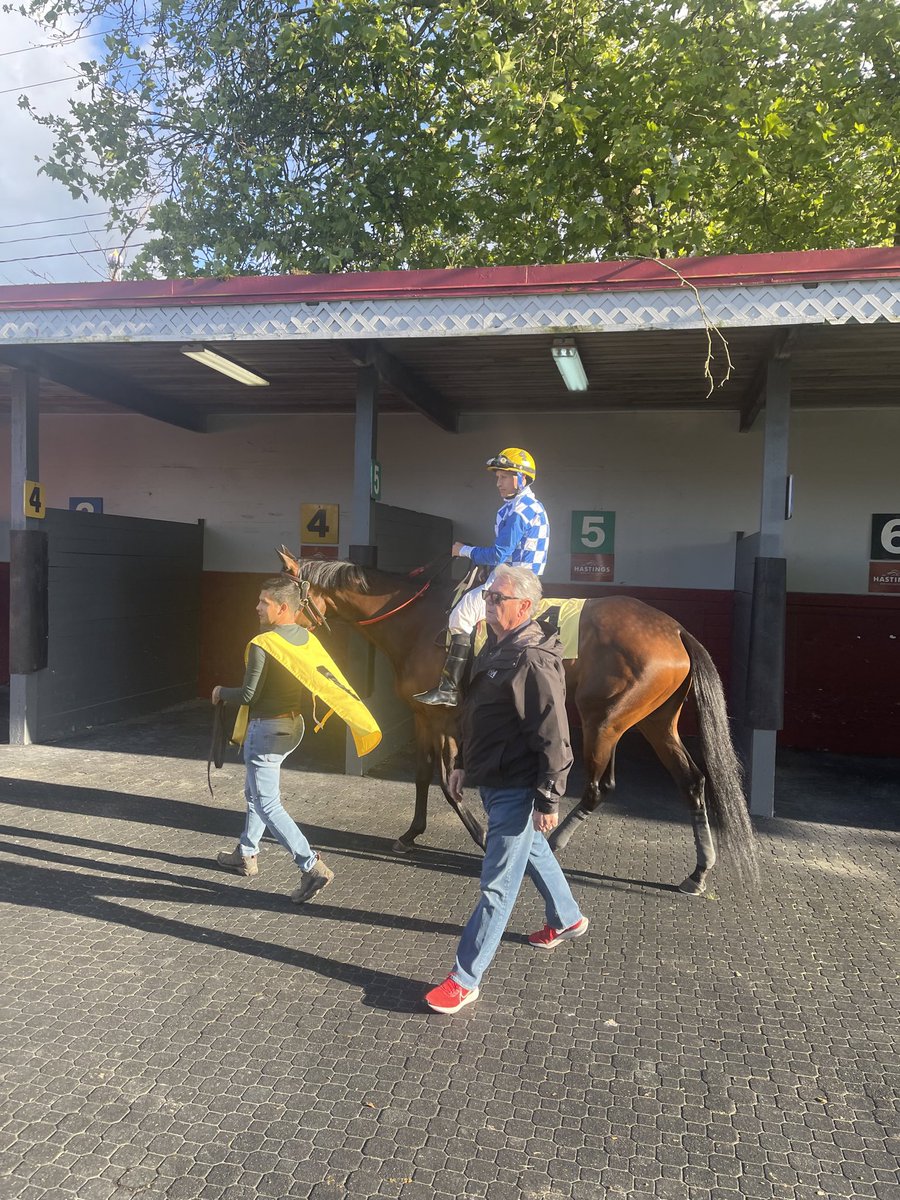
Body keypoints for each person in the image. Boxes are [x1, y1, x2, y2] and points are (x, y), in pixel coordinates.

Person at [424, 565, 588, 1014]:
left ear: (524, 606)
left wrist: (549, 797)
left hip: (518, 786)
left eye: (497, 598)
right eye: (488, 596)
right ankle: (568, 918)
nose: (488, 603)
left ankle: (465, 978)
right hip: (492, 779)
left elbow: (554, 736)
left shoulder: (532, 658)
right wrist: (460, 764)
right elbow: (475, 714)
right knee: (533, 851)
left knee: (497, 886)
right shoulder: (494, 647)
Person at [213, 576, 380, 903]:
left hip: (266, 731)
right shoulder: (304, 637)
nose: (257, 607)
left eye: (264, 602)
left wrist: (220, 692)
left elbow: (248, 694)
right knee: (255, 792)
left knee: (266, 801)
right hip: (293, 727)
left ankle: (311, 866)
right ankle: (246, 853)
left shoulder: (264, 643)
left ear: (283, 607)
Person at [413, 447, 549, 707]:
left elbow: (498, 554)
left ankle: (449, 688)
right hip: (515, 575)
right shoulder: (524, 506)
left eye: (504, 477)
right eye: (497, 477)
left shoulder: (520, 511)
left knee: (460, 615)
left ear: (521, 478)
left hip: (515, 580)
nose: (498, 483)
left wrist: (463, 551)